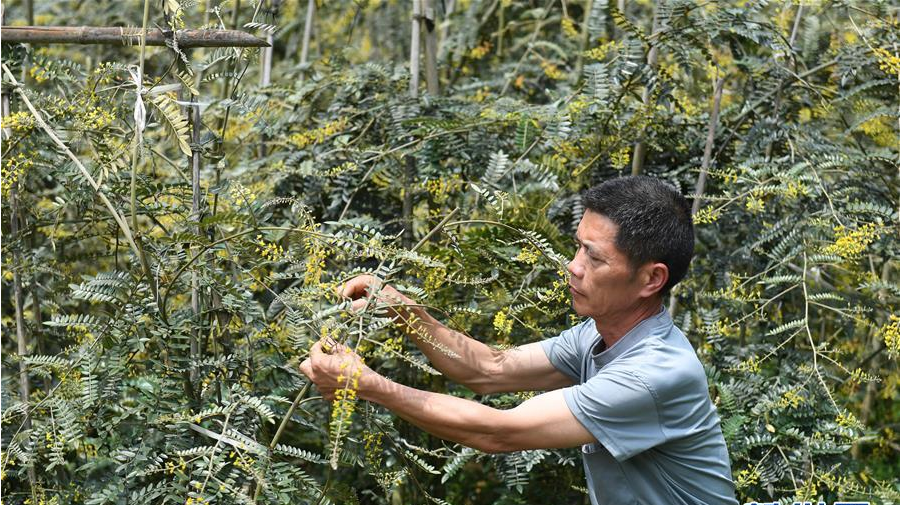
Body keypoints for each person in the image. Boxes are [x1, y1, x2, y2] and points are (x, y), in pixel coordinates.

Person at [300, 175, 738, 505]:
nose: (573, 266)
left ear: (651, 279)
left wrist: (366, 384)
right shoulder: (599, 333)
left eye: (594, 256)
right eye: (578, 247)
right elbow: (489, 368)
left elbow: (500, 432)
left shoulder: (652, 374)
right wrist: (401, 309)